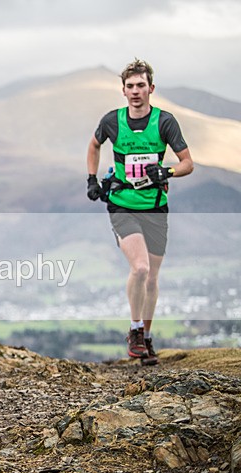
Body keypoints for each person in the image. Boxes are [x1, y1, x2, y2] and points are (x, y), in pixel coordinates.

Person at [86, 58, 193, 366]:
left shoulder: (164, 122)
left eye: (141, 86)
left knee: (152, 278)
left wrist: (167, 172)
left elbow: (187, 163)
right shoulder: (112, 120)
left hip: (155, 207)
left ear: (151, 89)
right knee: (141, 268)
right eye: (130, 86)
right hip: (122, 204)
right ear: (123, 90)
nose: (135, 91)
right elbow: (93, 145)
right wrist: (92, 179)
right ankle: (134, 331)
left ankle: (145, 336)